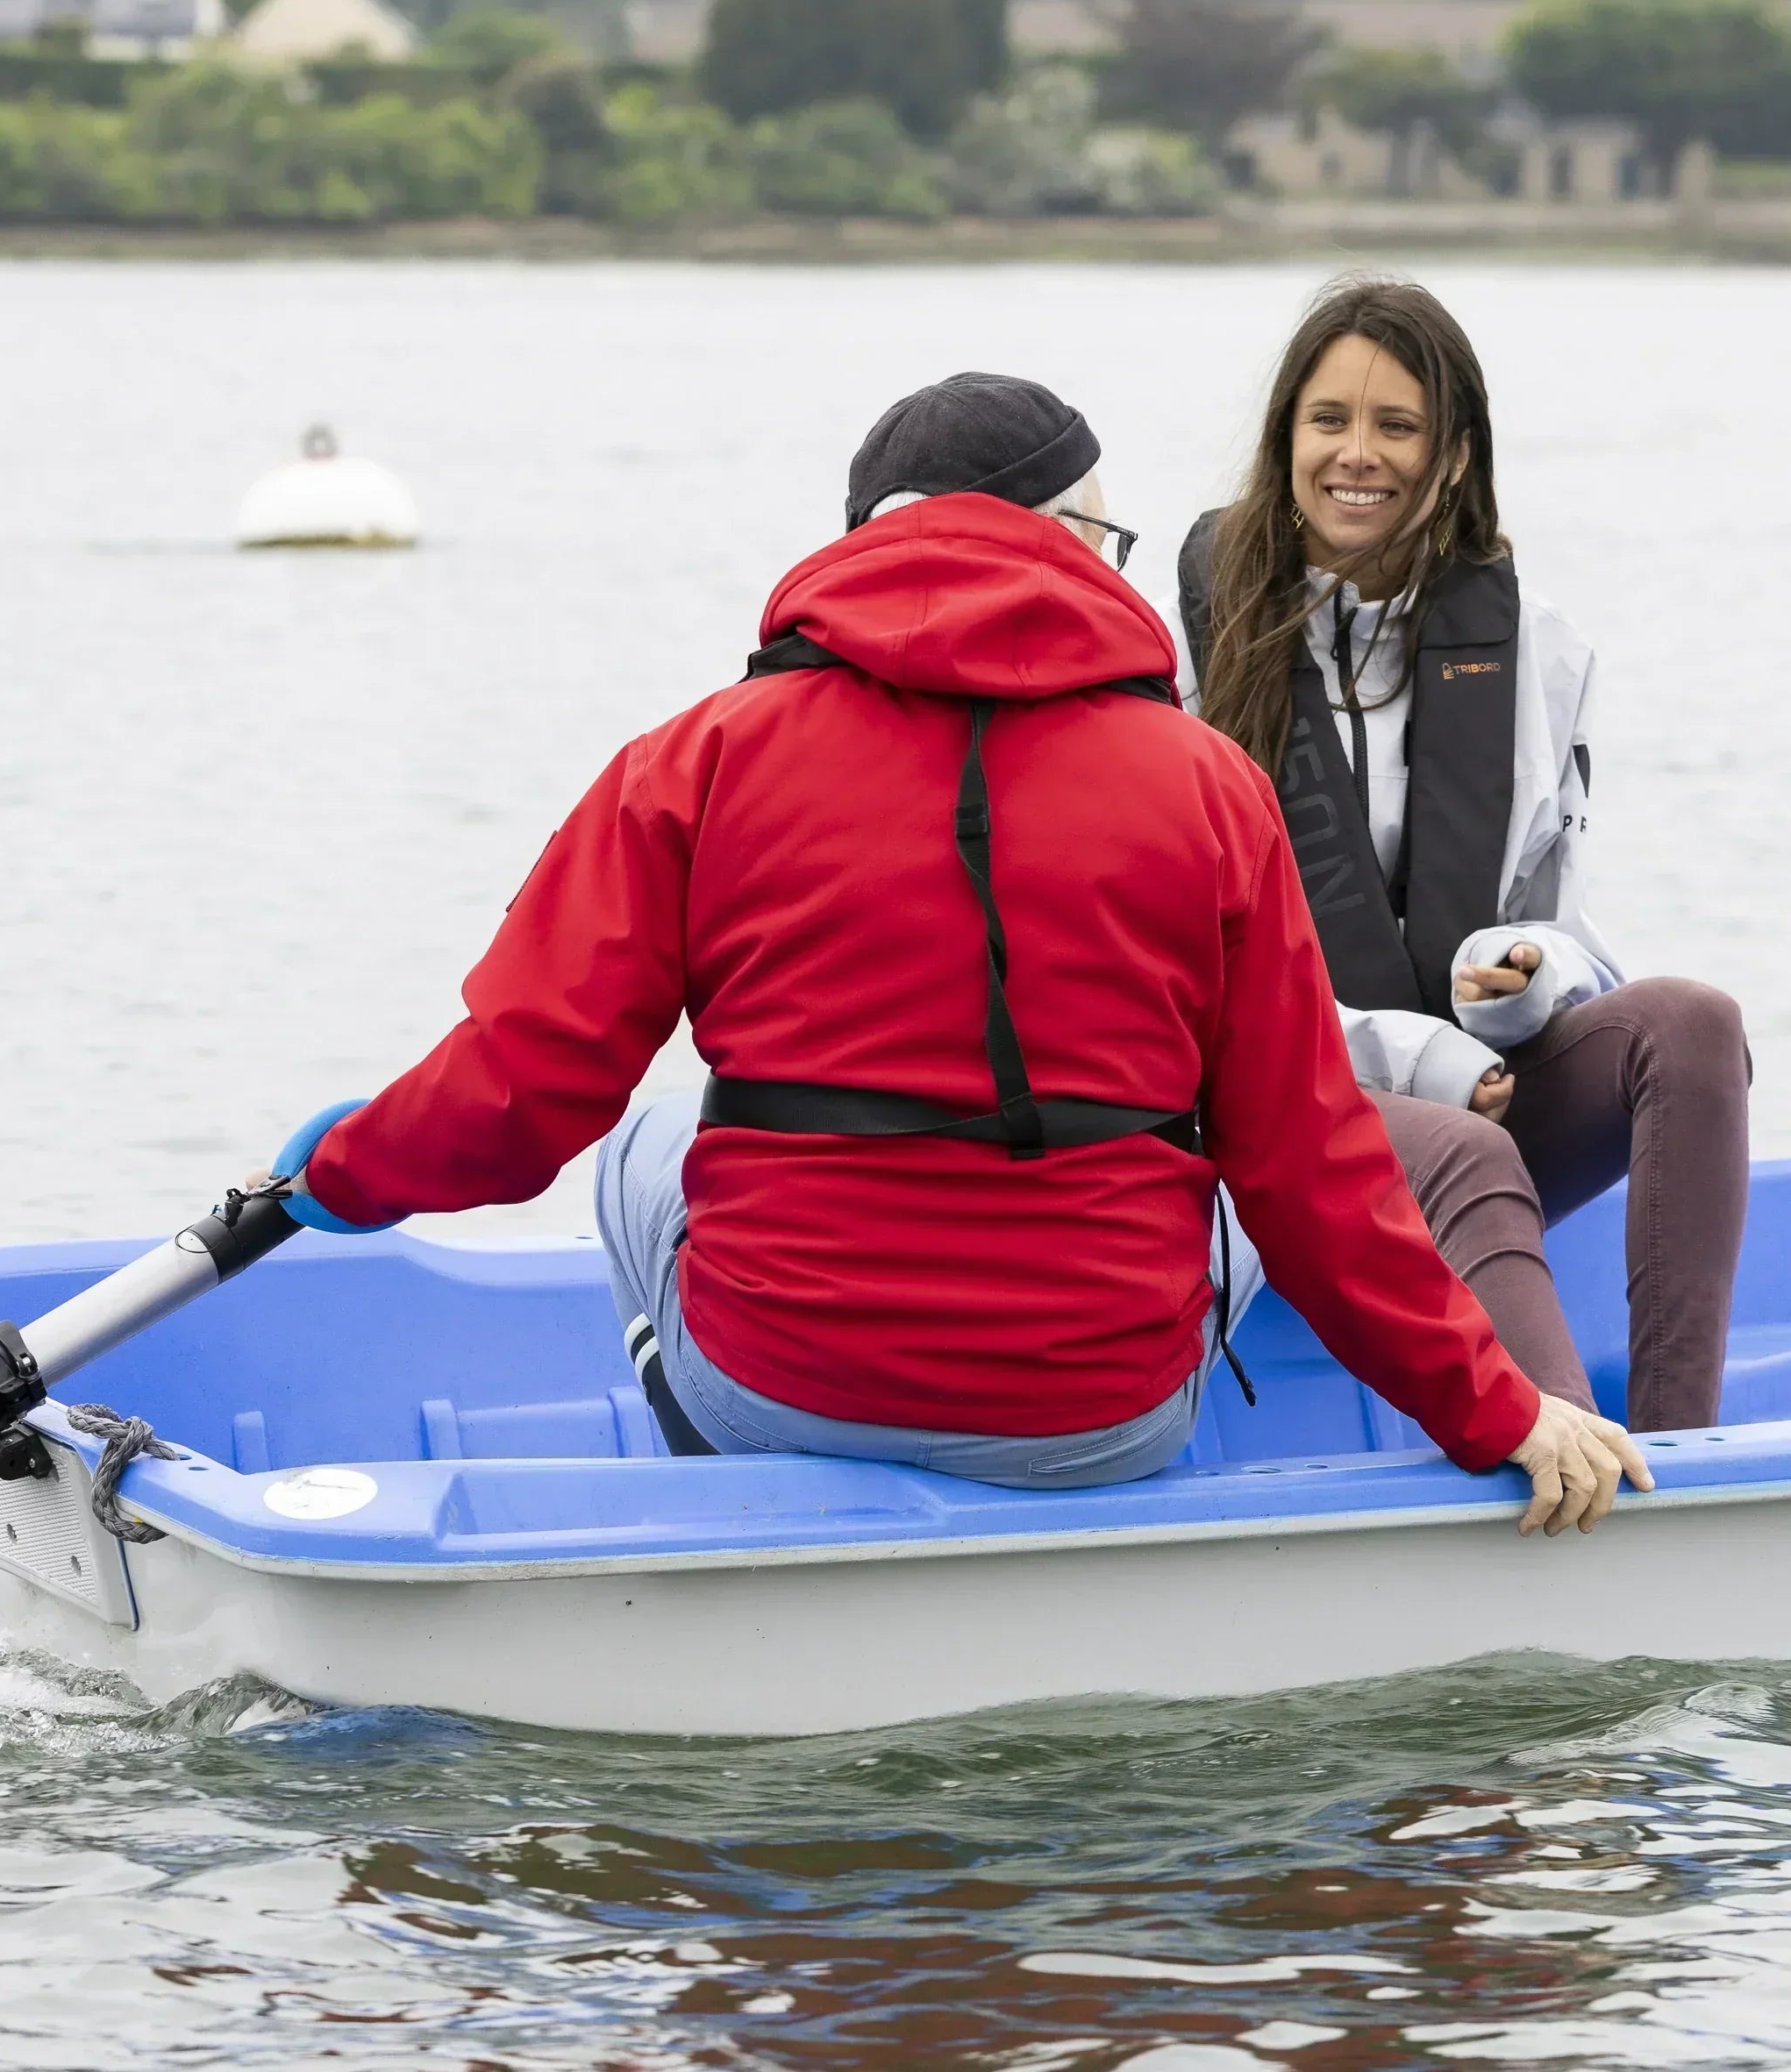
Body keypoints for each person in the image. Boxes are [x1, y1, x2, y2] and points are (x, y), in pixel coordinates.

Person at [280, 371, 1648, 1529]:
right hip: (1105, 1419)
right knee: (1222, 1181)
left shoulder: (693, 762)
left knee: (640, 1139)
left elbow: (519, 1097)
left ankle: (727, 1495)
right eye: (1108, 543)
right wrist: (1495, 1410)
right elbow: (1309, 1169)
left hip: (784, 1385)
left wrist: (336, 1173)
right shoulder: (1207, 786)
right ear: (1053, 541)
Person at [1178, 281, 1752, 1434]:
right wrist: (1420, 1057)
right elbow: (1181, 982)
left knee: (1693, 1023)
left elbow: (1565, 929)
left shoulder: (1538, 650)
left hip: (1472, 1100)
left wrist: (1522, 976)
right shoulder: (1175, 652)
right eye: (1328, 420)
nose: (1358, 455)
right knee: (1458, 1152)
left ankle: (1687, 1450)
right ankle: (1572, 1474)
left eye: (1398, 427)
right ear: (1284, 436)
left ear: (1453, 454)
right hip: (1265, 1138)